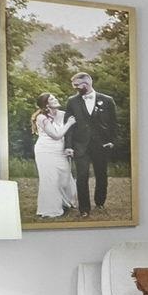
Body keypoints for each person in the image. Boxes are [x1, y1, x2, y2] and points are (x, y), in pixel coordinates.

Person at [63, 70, 119, 219]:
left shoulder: (107, 100)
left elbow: (114, 124)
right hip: (80, 145)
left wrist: (112, 141)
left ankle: (100, 202)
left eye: (77, 85)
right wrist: (68, 146)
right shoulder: (72, 101)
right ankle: (84, 209)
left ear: (86, 83)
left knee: (101, 174)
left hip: (101, 145)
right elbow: (68, 126)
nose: (75, 88)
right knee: (81, 176)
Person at [31, 93, 79, 220]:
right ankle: (50, 209)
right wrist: (68, 124)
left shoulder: (62, 114)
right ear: (46, 104)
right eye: (52, 99)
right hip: (46, 151)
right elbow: (56, 135)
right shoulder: (41, 117)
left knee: (64, 177)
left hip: (60, 151)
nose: (56, 99)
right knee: (50, 179)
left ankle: (65, 203)